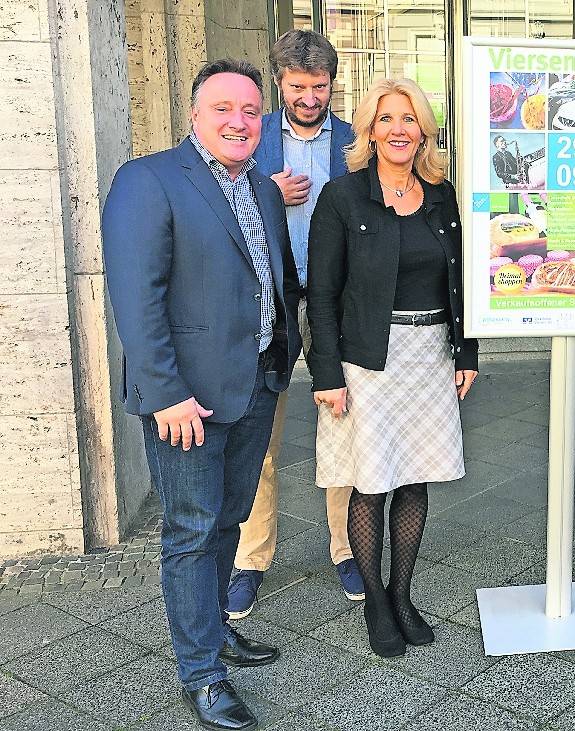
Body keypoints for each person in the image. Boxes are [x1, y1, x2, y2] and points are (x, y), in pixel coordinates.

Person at [102, 59, 301, 731]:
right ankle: (202, 674)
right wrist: (165, 393)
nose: (238, 121)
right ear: (194, 115)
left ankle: (213, 632)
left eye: (250, 111)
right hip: (185, 403)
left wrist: (286, 352)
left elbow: (273, 280)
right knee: (190, 532)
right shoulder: (149, 179)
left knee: (226, 521)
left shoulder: (265, 190)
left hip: (255, 386)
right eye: (223, 108)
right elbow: (136, 297)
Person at [307, 78, 478, 658]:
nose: (399, 129)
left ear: (424, 130)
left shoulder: (440, 193)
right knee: (371, 482)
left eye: (410, 118)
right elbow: (322, 294)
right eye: (387, 119)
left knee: (416, 478)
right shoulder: (342, 196)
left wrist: (467, 351)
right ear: (369, 130)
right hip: (367, 362)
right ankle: (376, 605)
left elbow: (462, 281)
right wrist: (326, 374)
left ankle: (402, 594)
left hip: (430, 354)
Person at [227, 28, 362, 622]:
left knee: (342, 424)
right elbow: (222, 206)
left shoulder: (356, 142)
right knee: (260, 434)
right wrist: (267, 193)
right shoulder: (252, 141)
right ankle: (251, 560)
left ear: (333, 84)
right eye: (299, 86)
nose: (310, 97)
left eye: (321, 86)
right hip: (273, 300)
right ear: (280, 83)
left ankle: (347, 547)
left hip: (338, 298)